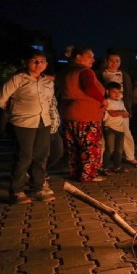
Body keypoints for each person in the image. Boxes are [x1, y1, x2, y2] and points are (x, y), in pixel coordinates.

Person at [0, 50, 55, 203]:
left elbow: (48, 101)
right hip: (23, 123)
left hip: (43, 122)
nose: (38, 64)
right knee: (24, 156)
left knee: (41, 156)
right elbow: (0, 100)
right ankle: (16, 191)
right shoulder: (18, 79)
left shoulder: (48, 82)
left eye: (42, 61)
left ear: (46, 64)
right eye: (34, 61)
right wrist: (16, 111)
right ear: (26, 63)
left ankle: (38, 188)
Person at [56, 46, 107, 183]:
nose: (93, 60)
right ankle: (88, 175)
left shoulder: (65, 72)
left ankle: (75, 172)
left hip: (69, 113)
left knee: (74, 146)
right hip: (87, 114)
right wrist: (103, 100)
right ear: (78, 57)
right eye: (90, 56)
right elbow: (89, 88)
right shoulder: (84, 71)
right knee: (89, 146)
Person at [95, 52, 137, 168]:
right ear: (107, 61)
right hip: (107, 107)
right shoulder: (99, 74)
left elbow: (129, 93)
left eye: (117, 61)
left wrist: (128, 108)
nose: (114, 63)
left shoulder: (124, 75)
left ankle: (131, 157)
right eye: (112, 60)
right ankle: (100, 161)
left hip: (121, 106)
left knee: (126, 133)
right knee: (104, 136)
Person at [102, 82, 129, 173]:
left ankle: (117, 166)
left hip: (120, 129)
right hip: (110, 128)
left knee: (119, 150)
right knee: (109, 149)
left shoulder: (121, 102)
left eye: (119, 92)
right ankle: (105, 167)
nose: (117, 94)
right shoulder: (107, 102)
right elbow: (112, 114)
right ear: (107, 91)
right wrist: (121, 112)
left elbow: (126, 114)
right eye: (114, 92)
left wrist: (120, 112)